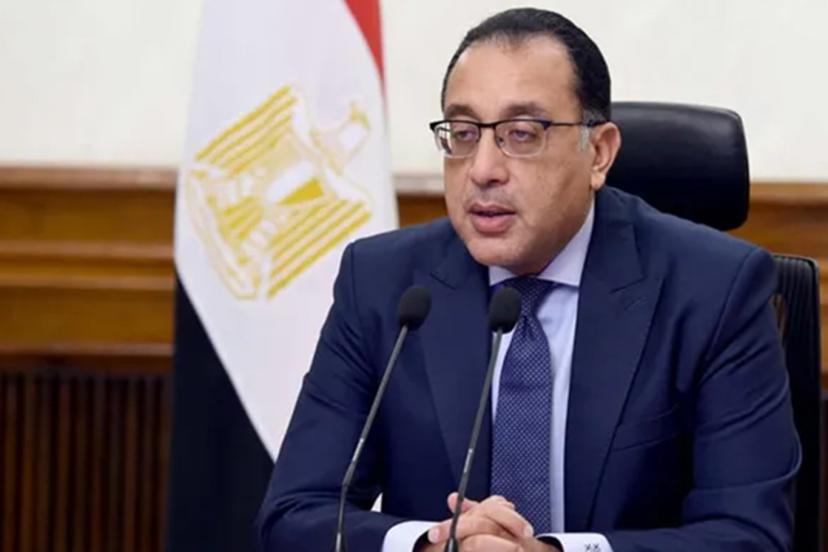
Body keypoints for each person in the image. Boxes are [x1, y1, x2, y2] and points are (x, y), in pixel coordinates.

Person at [257, 7, 800, 552]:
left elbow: (748, 535)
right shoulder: (386, 286)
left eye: (521, 134)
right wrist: (431, 545)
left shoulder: (714, 290)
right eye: (463, 133)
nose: (482, 169)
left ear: (599, 153)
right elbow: (294, 515)